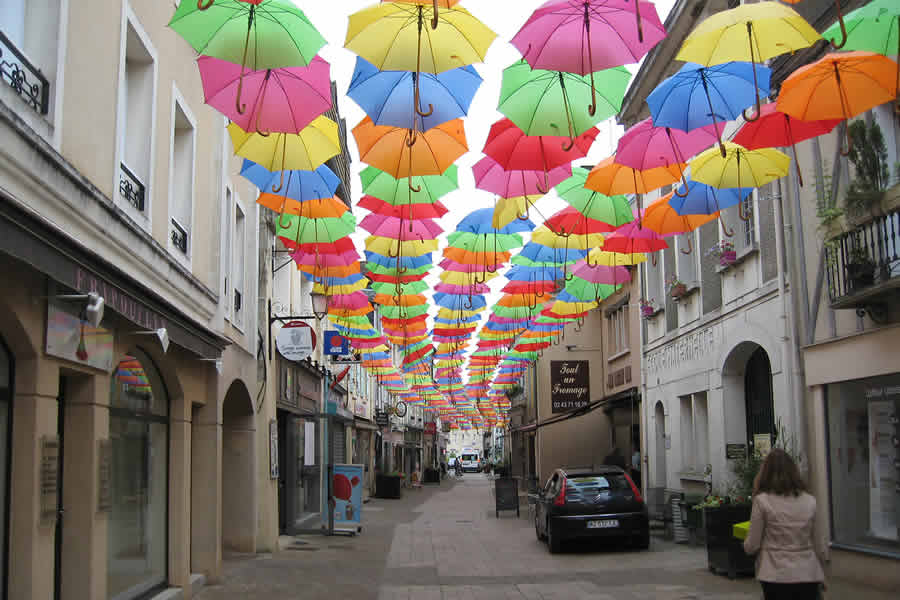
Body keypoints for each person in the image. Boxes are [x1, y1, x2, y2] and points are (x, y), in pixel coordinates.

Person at [743, 449, 827, 600]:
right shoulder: (810, 501)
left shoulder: (762, 501)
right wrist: (821, 572)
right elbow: (819, 545)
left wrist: (746, 546)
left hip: (774, 573)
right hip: (807, 572)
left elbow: (752, 545)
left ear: (765, 473)